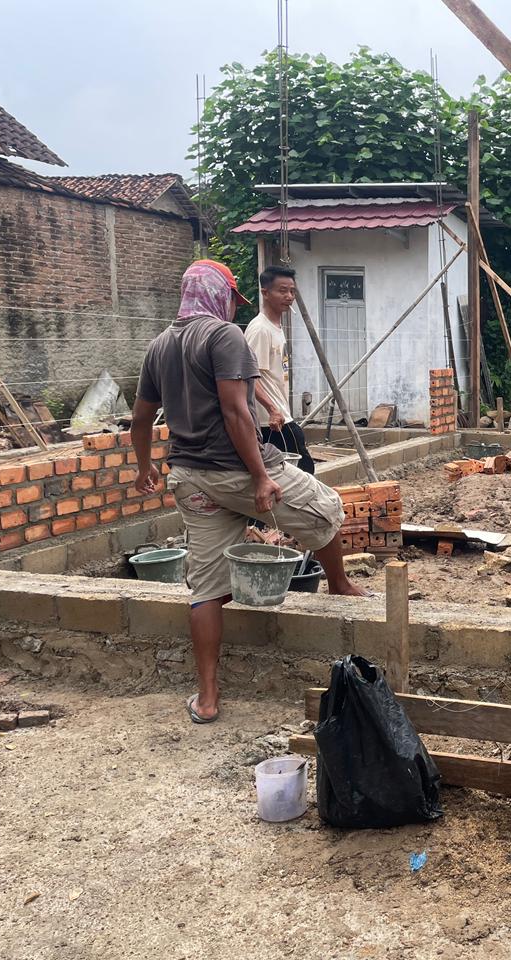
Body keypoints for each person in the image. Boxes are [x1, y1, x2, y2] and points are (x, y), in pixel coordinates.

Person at [131, 259, 367, 725]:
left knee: (206, 587)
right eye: (230, 299)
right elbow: (236, 412)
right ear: (218, 296)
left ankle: (207, 697)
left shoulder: (160, 345)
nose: (231, 307)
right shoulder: (224, 336)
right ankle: (339, 583)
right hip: (236, 469)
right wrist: (260, 476)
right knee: (326, 508)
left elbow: (140, 418)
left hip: (190, 478)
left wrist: (143, 468)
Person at [245, 265, 315, 474]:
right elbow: (249, 376)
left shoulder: (274, 327)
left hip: (280, 417)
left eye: (292, 291)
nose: (289, 296)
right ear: (265, 293)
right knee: (304, 472)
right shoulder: (260, 330)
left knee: (292, 475)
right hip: (272, 422)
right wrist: (272, 409)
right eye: (282, 291)